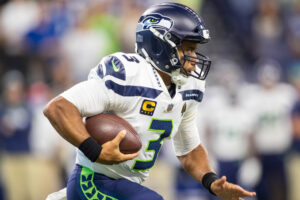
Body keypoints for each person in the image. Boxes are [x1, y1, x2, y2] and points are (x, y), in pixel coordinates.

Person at [44, 3, 256, 200]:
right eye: (188, 49)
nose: (193, 59)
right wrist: (95, 150)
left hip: (126, 185)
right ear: (159, 44)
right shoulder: (129, 74)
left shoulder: (188, 86)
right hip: (92, 180)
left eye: (195, 50)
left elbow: (189, 151)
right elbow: (59, 108)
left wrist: (211, 182)